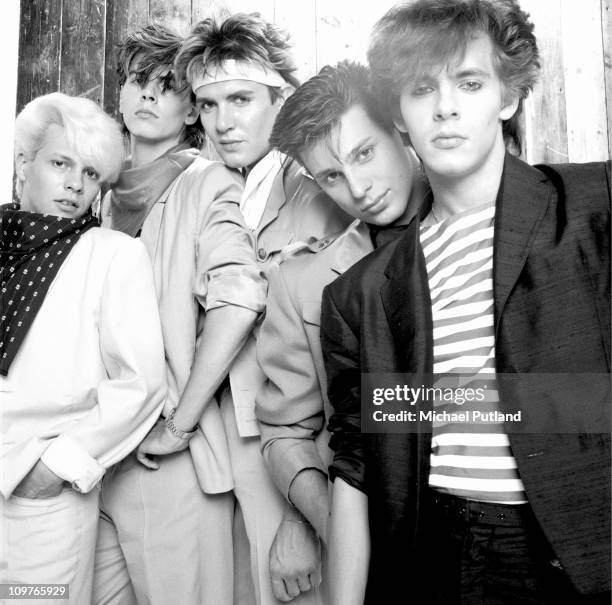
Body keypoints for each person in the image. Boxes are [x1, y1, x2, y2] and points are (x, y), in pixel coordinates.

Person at [320, 1, 611, 604]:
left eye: (470, 83)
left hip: (585, 549)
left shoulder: (594, 205)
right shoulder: (361, 295)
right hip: (441, 559)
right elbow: (356, 465)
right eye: (422, 89)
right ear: (399, 116)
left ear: (508, 98)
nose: (445, 107)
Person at [175, 13, 351, 605]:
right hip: (228, 444)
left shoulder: (325, 191)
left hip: (301, 456)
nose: (223, 122)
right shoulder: (213, 190)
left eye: (242, 99)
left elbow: (349, 375)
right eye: (208, 104)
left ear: (281, 96)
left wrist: (304, 515)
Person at [95, 24, 267, 605]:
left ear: (191, 111)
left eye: (166, 86)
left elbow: (240, 297)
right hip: (91, 452)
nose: (147, 94)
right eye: (138, 80)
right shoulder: (94, 191)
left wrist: (182, 422)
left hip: (160, 458)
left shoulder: (206, 184)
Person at [254, 60, 428, 602]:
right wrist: (335, 523)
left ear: (400, 128)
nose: (357, 188)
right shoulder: (302, 282)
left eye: (364, 154)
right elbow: (285, 433)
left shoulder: (498, 218)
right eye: (331, 176)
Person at [0, 92, 166, 605]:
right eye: (60, 163)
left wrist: (56, 468)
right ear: (24, 164)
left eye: (91, 173)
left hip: (36, 500)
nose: (75, 184)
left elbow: (141, 383)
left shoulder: (114, 254)